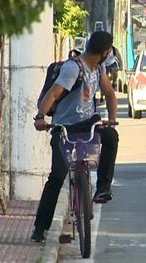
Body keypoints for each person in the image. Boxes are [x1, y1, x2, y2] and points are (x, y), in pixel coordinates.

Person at [31, 31, 119, 243]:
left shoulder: (99, 69)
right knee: (58, 175)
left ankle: (103, 188)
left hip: (87, 126)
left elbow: (109, 94)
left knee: (110, 136)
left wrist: (111, 119)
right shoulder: (73, 68)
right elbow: (53, 93)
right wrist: (40, 117)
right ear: (105, 51)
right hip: (64, 129)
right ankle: (40, 228)